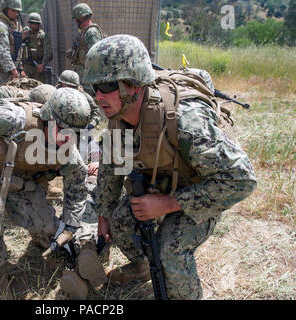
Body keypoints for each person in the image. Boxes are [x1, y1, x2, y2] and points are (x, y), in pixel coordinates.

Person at [79, 34, 257, 300]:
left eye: (106, 85)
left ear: (134, 84)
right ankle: (141, 268)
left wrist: (168, 204)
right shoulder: (118, 118)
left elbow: (241, 179)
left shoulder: (185, 120)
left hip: (200, 192)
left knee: (170, 248)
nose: (99, 96)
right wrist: (104, 213)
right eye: (94, 88)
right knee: (120, 221)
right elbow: (111, 167)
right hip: (159, 186)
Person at [0, 88, 104, 288]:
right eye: (63, 131)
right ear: (48, 118)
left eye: (74, 134)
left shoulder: (68, 150)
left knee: (49, 227)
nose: (67, 139)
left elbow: (77, 186)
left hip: (16, 181)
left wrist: (69, 226)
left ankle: (63, 247)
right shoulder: (14, 118)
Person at [67, 3, 106, 95]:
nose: (75, 22)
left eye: (76, 20)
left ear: (80, 18)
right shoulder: (84, 32)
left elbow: (97, 56)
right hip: (84, 79)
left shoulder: (91, 33)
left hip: (90, 82)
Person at [0, 0, 26, 84]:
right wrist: (13, 70)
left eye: (17, 11)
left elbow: (18, 49)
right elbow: (2, 51)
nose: (16, 13)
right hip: (5, 71)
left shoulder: (15, 25)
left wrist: (21, 68)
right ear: (5, 9)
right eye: (13, 10)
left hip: (15, 69)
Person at [22, 12, 53, 83]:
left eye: (36, 23)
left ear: (39, 24)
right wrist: (22, 38)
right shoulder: (25, 34)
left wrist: (42, 64)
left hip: (38, 66)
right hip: (26, 67)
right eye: (32, 23)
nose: (34, 25)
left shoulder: (42, 36)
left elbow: (48, 52)